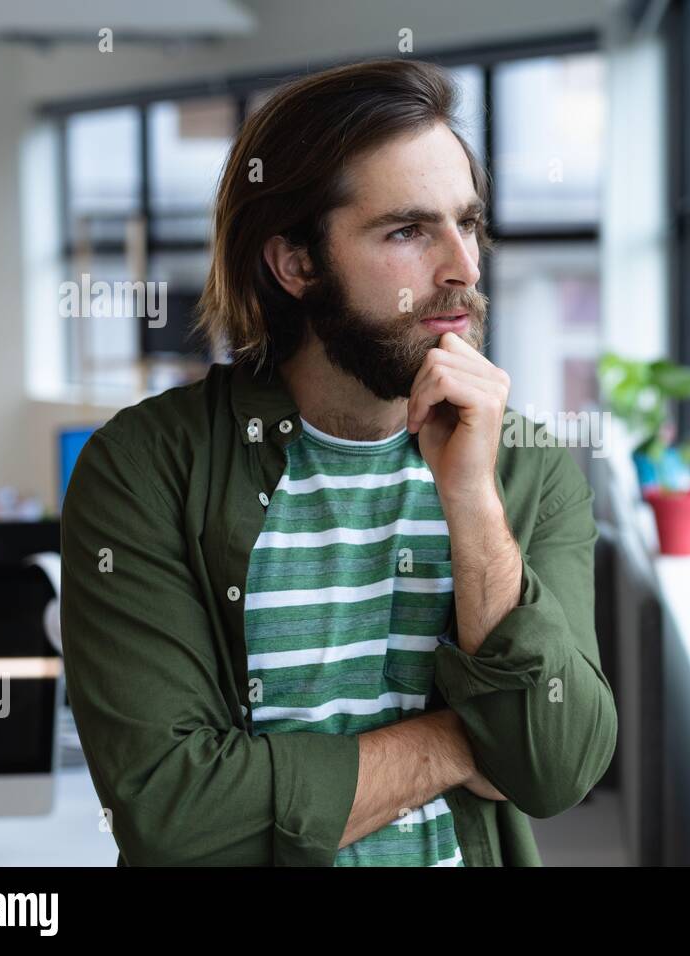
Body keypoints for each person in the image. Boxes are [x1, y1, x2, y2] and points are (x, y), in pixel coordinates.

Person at [59, 58, 617, 866]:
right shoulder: (145, 467)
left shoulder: (527, 469)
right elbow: (174, 816)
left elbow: (558, 766)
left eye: (469, 223)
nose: (462, 267)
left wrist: (473, 506)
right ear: (297, 264)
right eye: (408, 231)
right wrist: (463, 742)